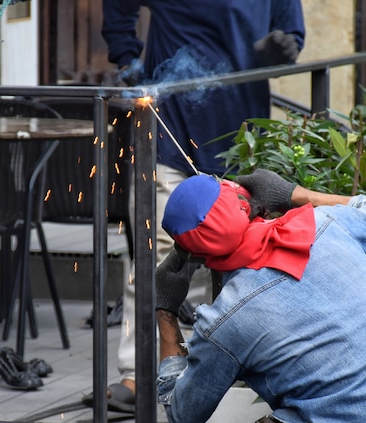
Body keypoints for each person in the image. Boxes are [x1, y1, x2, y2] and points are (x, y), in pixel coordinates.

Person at [92, 0, 306, 412]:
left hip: (243, 142)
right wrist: (128, 57)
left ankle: (235, 373)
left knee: (243, 260)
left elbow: (291, 34)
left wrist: (281, 49)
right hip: (173, 135)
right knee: (154, 257)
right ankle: (137, 371)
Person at [157, 169, 366, 422]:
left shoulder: (225, 321)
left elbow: (180, 412)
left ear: (197, 258)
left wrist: (165, 312)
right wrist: (295, 194)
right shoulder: (329, 221)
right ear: (248, 200)